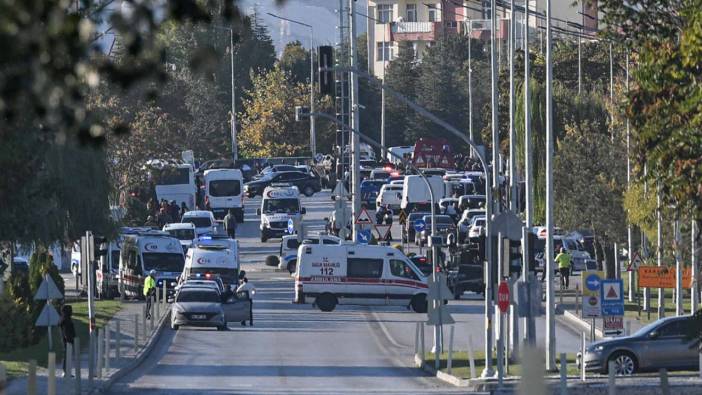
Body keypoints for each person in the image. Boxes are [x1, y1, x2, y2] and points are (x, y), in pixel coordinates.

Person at [59, 304, 75, 377]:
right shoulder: (65, 320)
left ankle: (67, 371)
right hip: (67, 341)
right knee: (66, 356)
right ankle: (65, 371)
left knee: (67, 356)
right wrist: (69, 339)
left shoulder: (65, 319)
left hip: (68, 340)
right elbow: (66, 331)